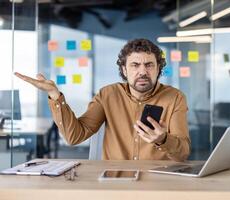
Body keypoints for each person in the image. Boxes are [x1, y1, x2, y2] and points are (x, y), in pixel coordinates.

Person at [15, 38, 190, 161]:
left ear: (159, 68)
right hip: (115, 183)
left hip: (157, 181)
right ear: (124, 69)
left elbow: (182, 154)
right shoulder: (108, 95)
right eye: (135, 65)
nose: (143, 71)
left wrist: (163, 139)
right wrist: (55, 94)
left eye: (149, 65)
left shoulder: (174, 97)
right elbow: (74, 136)